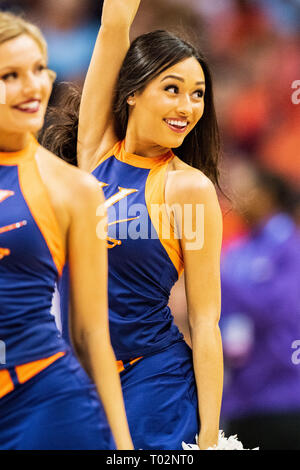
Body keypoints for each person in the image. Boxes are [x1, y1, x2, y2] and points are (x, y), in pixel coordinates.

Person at [43, 0, 223, 450]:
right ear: (132, 92)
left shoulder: (189, 188)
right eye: (173, 88)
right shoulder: (96, 153)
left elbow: (204, 321)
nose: (188, 106)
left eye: (198, 93)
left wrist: (208, 438)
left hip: (155, 381)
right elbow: (114, 22)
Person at [0, 11, 133, 450]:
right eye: (10, 75)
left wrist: (123, 448)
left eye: (38, 69)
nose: (32, 86)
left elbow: (92, 333)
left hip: (47, 402)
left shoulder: (76, 188)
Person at [220, 161, 300, 450]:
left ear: (266, 195)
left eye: (244, 189)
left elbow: (281, 308)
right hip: (242, 397)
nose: (235, 197)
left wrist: (219, 280)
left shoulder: (289, 247)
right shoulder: (236, 250)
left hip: (284, 393)